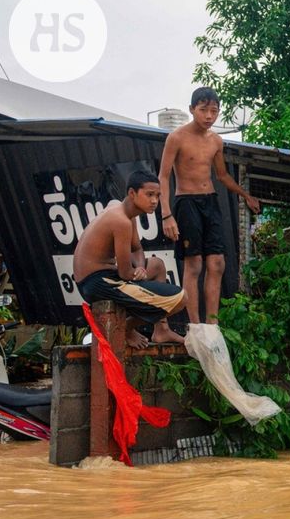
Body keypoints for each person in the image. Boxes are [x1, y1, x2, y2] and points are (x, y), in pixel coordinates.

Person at [158, 87, 260, 324]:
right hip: (187, 202)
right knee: (193, 265)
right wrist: (166, 214)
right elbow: (163, 176)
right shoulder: (176, 137)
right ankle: (195, 325)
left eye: (214, 111)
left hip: (210, 201)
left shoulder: (216, 141)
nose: (209, 116)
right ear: (192, 109)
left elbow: (222, 175)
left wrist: (245, 195)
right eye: (203, 110)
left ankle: (212, 325)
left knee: (217, 263)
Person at [73, 171, 187, 348]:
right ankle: (124, 328)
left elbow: (136, 249)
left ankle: (162, 330)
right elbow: (125, 273)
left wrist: (141, 268)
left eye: (157, 196)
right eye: (149, 194)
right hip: (95, 284)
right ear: (132, 193)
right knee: (180, 299)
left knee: (157, 265)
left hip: (105, 275)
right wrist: (136, 273)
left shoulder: (124, 211)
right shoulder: (121, 221)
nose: (154, 201)